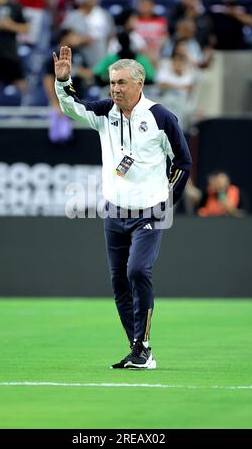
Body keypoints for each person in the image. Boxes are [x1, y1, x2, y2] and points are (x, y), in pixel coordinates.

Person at [54, 46, 192, 369]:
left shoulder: (161, 117)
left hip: (149, 211)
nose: (115, 89)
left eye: (121, 83)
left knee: (137, 271)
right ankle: (139, 349)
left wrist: (165, 202)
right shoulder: (105, 113)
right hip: (114, 213)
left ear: (139, 85)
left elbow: (183, 162)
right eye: (112, 83)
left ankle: (142, 347)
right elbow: (72, 107)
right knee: (119, 282)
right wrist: (63, 82)